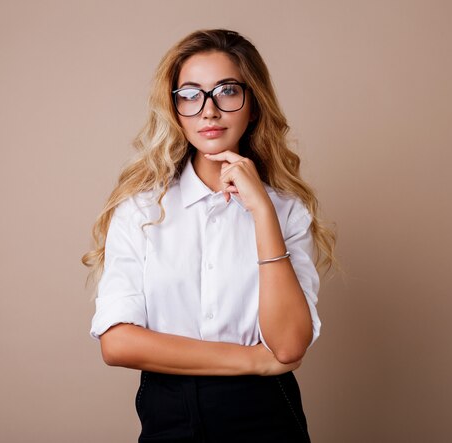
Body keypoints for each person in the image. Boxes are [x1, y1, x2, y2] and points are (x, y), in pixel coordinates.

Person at [83, 28, 337, 443]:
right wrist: (255, 361)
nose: (209, 111)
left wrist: (262, 214)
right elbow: (117, 343)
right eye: (190, 94)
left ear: (253, 105)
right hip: (170, 411)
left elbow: (289, 346)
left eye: (227, 91)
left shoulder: (288, 211)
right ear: (175, 109)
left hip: (266, 415)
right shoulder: (140, 210)